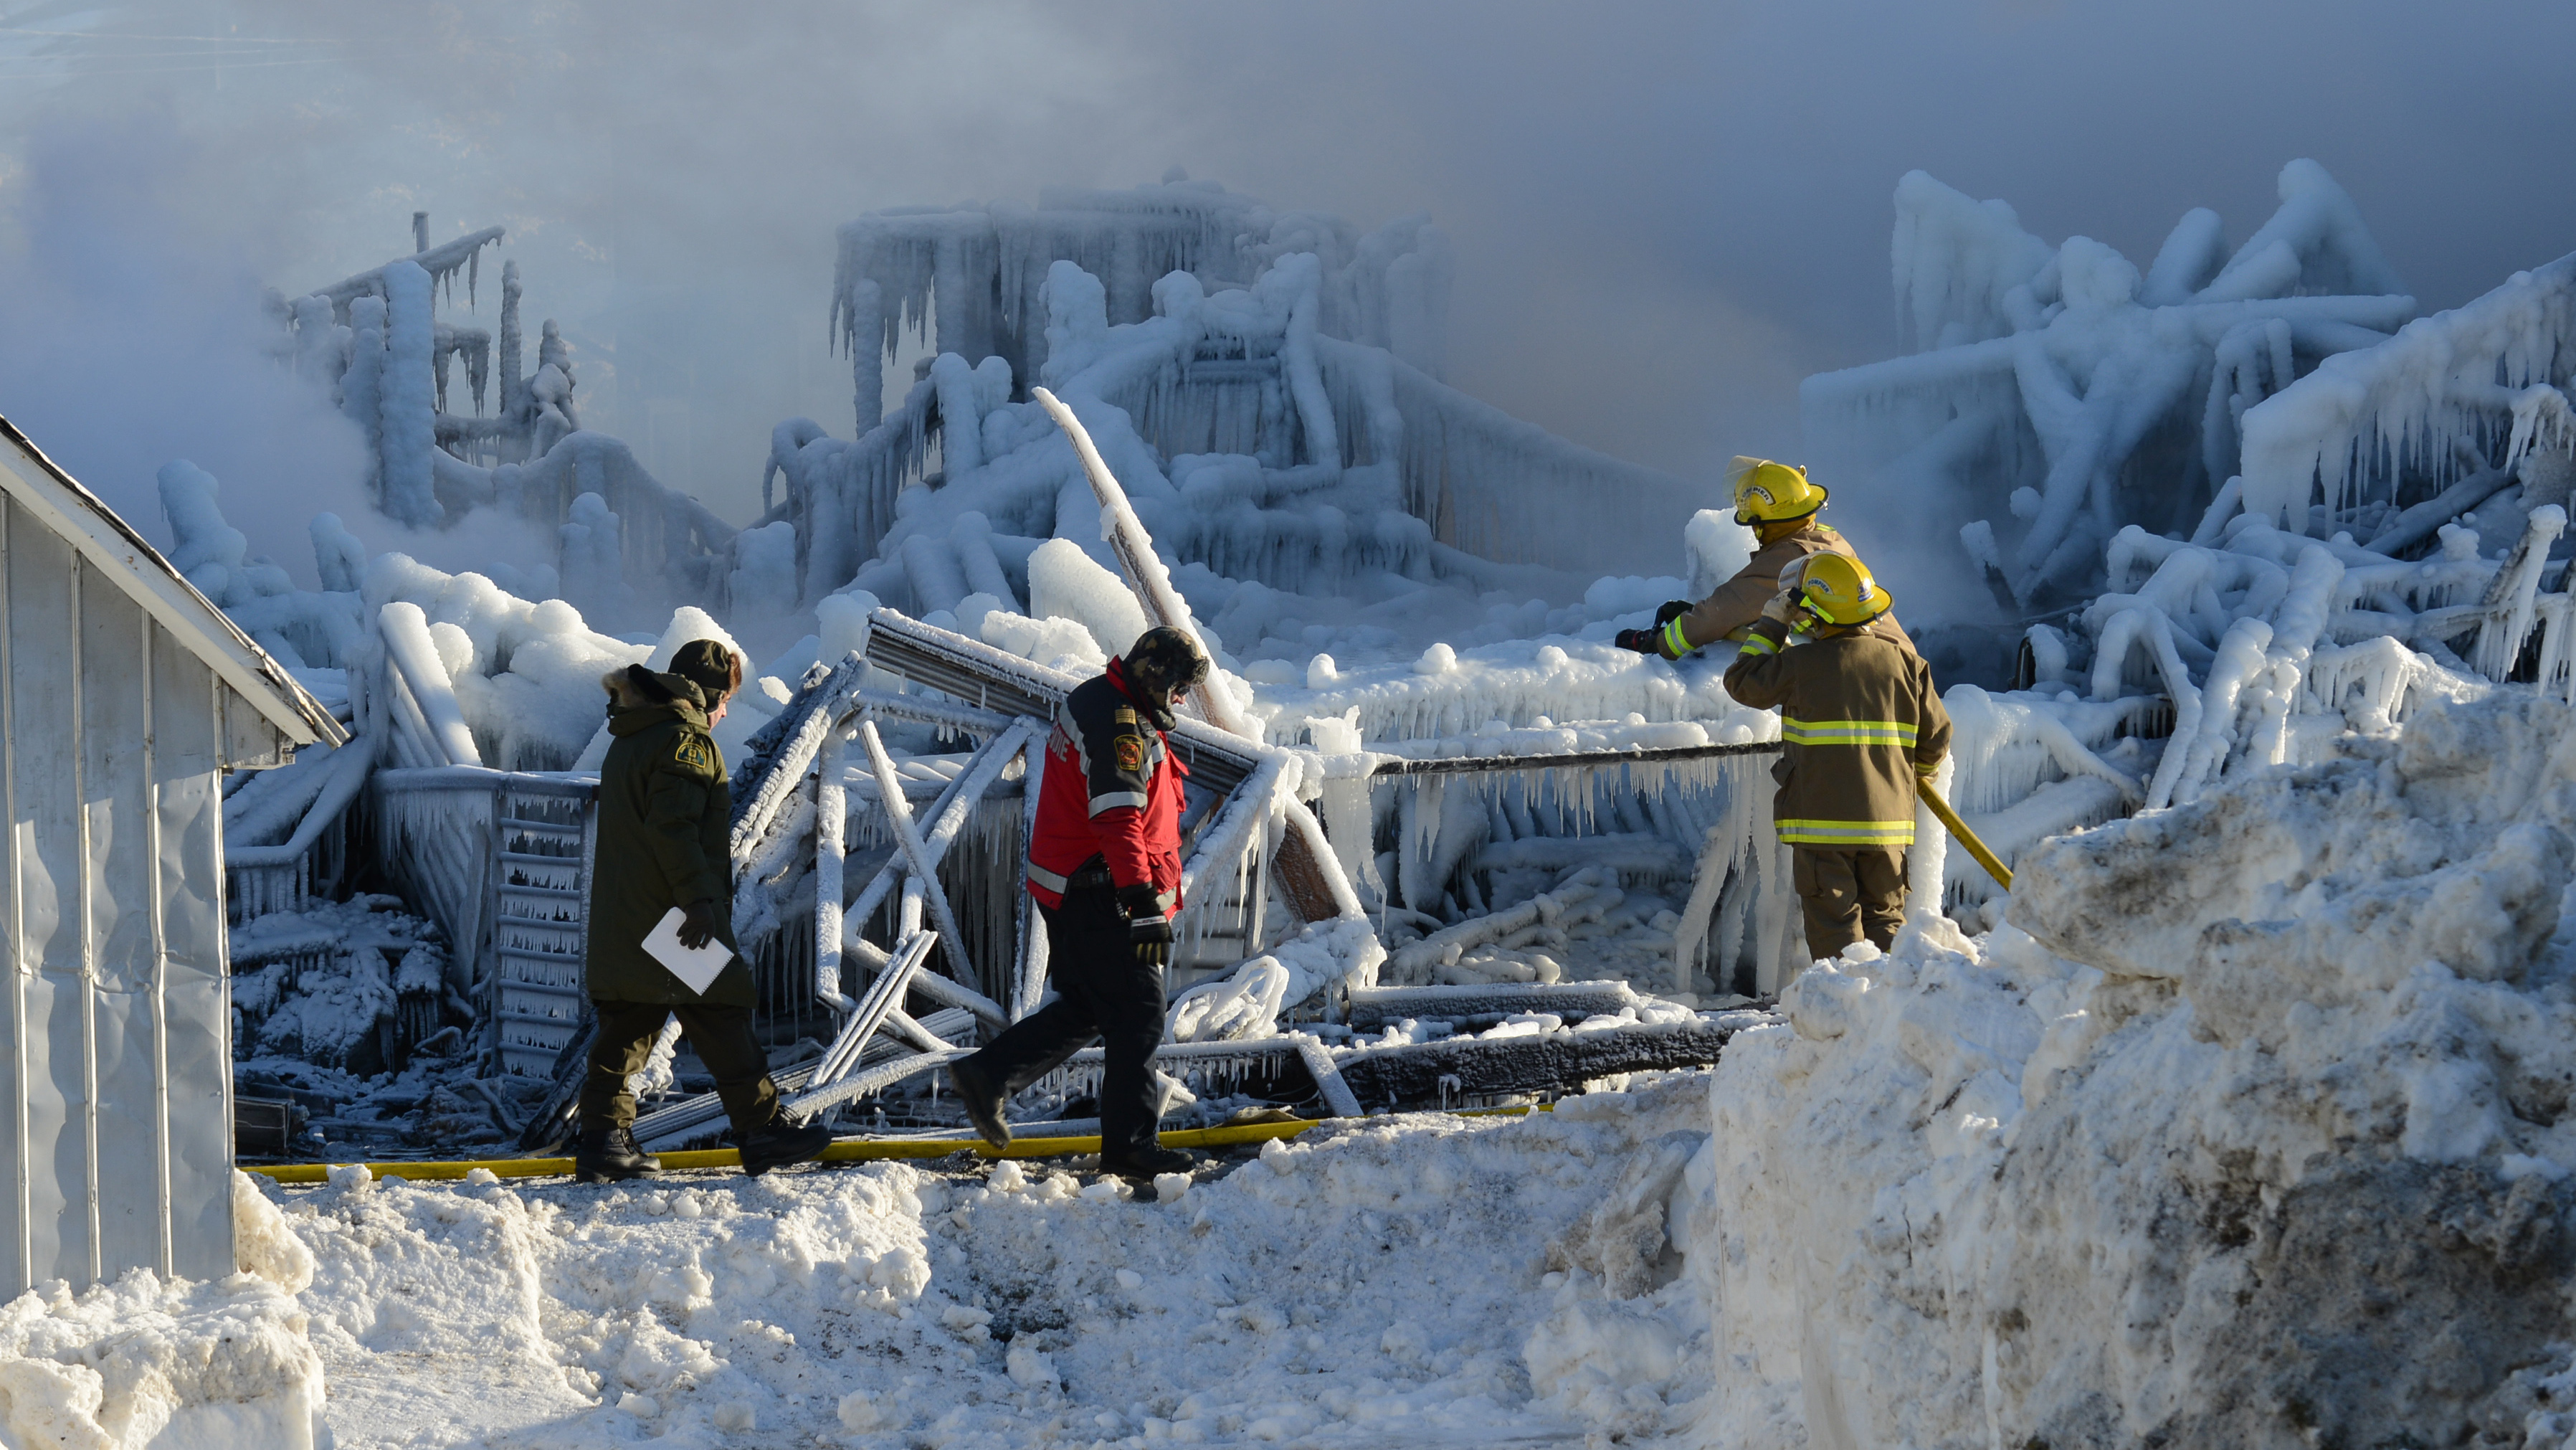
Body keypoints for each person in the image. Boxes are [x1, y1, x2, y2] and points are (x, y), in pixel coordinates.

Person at [944, 625, 1209, 1181]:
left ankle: (989, 1075)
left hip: (1072, 884)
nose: (1181, 698)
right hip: (1103, 890)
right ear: (1154, 675)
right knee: (1138, 1016)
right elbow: (1117, 819)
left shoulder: (1098, 696)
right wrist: (1141, 904)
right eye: (1179, 685)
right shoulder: (1121, 726)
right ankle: (1130, 1146)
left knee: (1092, 1006)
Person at [573, 638, 832, 1183]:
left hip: (629, 912)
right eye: (726, 700)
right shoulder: (684, 743)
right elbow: (676, 831)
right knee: (722, 1011)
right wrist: (697, 901)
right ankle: (761, 1132)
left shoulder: (632, 738)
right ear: (708, 695)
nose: (726, 712)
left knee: (628, 1022)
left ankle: (601, 1140)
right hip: (673, 920)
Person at [1721, 551, 1951, 959]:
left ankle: (1843, 1015)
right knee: (1886, 920)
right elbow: (1935, 742)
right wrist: (1902, 782)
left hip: (1823, 825)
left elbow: (1743, 682)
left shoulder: (1799, 664)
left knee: (1836, 928)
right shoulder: (1909, 665)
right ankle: (1894, 1008)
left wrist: (1774, 623)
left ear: (1812, 615)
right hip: (1889, 828)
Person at [1616, 457, 1912, 660]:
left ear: (1767, 521)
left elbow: (1725, 610)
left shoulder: (1791, 558)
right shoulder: (1826, 539)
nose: (1755, 531)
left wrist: (1658, 643)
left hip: (1873, 673)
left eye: (1756, 523)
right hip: (1895, 666)